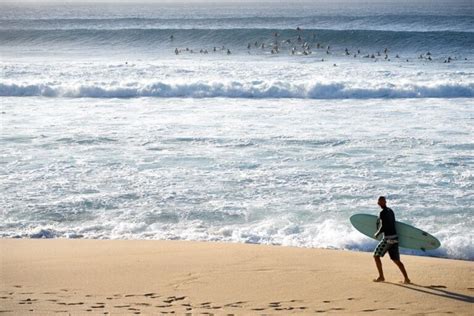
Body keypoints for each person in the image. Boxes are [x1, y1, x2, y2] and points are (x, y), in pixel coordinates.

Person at [373, 196, 410, 284]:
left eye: (381, 202)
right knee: (396, 260)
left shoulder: (382, 213)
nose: (380, 203)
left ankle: (381, 277)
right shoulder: (391, 211)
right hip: (395, 238)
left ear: (382, 203)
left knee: (376, 255)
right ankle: (406, 279)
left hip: (388, 239)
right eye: (380, 202)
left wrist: (377, 233)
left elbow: (384, 226)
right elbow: (391, 223)